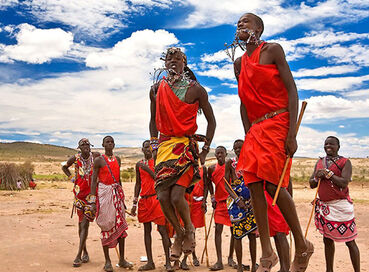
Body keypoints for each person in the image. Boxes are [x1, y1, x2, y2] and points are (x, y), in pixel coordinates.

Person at [233, 13, 313, 272]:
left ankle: (301, 243)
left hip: (278, 122)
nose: (240, 24)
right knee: (254, 183)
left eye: (246, 21)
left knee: (271, 183)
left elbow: (292, 89)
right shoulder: (238, 63)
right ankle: (267, 251)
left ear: (259, 27)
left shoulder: (273, 50)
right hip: (256, 129)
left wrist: (291, 134)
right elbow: (244, 103)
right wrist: (248, 135)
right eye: (238, 23)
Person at [149, 47, 216, 261]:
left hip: (185, 148)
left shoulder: (196, 89)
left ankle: (188, 229)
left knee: (177, 195)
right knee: (161, 195)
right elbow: (152, 120)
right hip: (165, 146)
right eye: (169, 58)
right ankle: (178, 232)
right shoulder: (156, 89)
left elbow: (211, 122)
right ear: (164, 62)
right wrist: (153, 144)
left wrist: (205, 150)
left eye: (178, 58)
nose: (173, 61)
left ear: (185, 63)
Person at [309, 136, 360, 272]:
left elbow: (344, 182)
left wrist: (329, 174)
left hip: (341, 207)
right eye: (326, 144)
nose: (328, 146)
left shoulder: (345, 162)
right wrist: (317, 176)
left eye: (331, 144)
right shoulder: (320, 162)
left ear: (338, 146)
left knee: (350, 241)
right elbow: (311, 184)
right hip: (325, 208)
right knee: (327, 240)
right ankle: (329, 270)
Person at [88, 136, 133, 272]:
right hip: (104, 194)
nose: (110, 143)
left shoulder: (118, 160)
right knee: (106, 226)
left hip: (116, 195)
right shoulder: (99, 160)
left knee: (120, 227)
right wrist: (93, 201)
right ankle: (107, 261)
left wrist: (122, 198)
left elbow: (118, 180)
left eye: (112, 141)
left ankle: (122, 259)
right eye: (107, 142)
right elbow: (94, 180)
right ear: (103, 144)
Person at [130, 140, 172, 271]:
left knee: (162, 230)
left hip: (157, 199)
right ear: (142, 150)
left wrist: (148, 169)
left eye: (149, 147)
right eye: (145, 147)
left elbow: (159, 179)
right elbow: (138, 184)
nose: (147, 149)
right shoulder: (139, 164)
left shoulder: (159, 162)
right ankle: (150, 262)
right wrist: (134, 202)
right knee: (146, 231)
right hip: (144, 200)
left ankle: (168, 262)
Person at [62, 138, 100, 267]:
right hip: (79, 195)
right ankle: (84, 252)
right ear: (79, 147)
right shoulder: (75, 158)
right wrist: (72, 178)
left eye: (87, 144)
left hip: (92, 195)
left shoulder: (96, 156)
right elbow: (64, 167)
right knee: (81, 225)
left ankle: (78, 255)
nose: (86, 146)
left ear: (90, 146)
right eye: (83, 145)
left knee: (84, 224)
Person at [224, 139, 257, 272]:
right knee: (237, 235)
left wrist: (254, 202)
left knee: (252, 235)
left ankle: (254, 265)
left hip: (251, 203)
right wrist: (238, 200)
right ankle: (239, 266)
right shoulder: (230, 163)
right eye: (235, 148)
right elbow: (226, 183)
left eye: (240, 147)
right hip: (236, 204)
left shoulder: (252, 161)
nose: (238, 150)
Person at [207, 146, 236, 270]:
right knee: (218, 230)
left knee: (234, 232)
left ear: (226, 154)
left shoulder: (230, 166)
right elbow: (208, 182)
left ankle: (230, 258)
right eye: (217, 153)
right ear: (215, 154)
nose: (219, 155)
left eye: (221, 153)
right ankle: (219, 261)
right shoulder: (212, 168)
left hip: (231, 202)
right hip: (219, 203)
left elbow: (235, 181)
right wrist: (212, 196)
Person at [180, 166, 207, 270]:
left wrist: (205, 200)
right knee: (187, 230)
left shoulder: (203, 169)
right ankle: (190, 256)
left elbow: (207, 185)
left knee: (192, 230)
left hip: (198, 203)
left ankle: (186, 258)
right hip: (186, 201)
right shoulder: (185, 166)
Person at [265, 179, 293, 272]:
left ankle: (286, 268)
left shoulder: (281, 168)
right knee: (276, 236)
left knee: (281, 235)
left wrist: (289, 207)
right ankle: (283, 267)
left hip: (279, 202)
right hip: (268, 202)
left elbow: (289, 183)